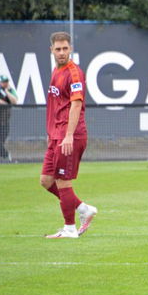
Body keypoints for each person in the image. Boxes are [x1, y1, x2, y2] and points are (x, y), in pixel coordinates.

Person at [40, 31, 97, 238]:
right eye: (58, 49)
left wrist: (68, 135)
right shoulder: (56, 71)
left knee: (63, 182)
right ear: (51, 50)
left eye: (65, 48)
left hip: (69, 135)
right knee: (46, 180)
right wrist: (51, 132)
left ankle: (70, 228)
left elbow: (75, 105)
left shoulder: (74, 73)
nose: (62, 52)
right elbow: (57, 105)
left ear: (70, 48)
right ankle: (83, 209)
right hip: (56, 135)